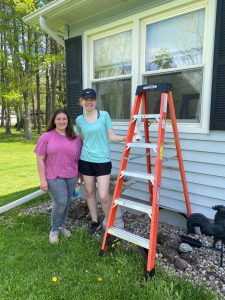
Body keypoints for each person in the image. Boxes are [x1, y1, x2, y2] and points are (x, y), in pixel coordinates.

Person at [75, 88, 126, 234]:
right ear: (82, 102)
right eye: (86, 99)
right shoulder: (79, 120)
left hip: (103, 161)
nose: (89, 102)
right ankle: (95, 221)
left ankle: (110, 224)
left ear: (95, 101)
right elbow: (81, 138)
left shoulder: (104, 115)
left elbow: (111, 136)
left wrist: (124, 138)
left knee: (103, 196)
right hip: (85, 160)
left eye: (92, 99)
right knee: (90, 192)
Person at [34, 109, 82, 244]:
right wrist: (42, 179)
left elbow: (78, 159)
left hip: (72, 175)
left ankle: (62, 226)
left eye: (64, 119)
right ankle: (54, 230)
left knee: (66, 202)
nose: (62, 121)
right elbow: (40, 159)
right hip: (53, 176)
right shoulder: (46, 137)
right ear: (54, 121)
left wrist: (79, 176)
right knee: (60, 202)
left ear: (68, 121)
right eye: (59, 119)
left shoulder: (76, 138)